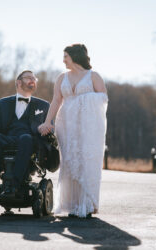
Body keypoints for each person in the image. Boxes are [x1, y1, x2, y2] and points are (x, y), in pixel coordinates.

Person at [38, 44, 108, 218]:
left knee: (86, 160)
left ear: (75, 57)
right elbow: (56, 101)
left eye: (66, 56)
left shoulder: (94, 76)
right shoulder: (62, 78)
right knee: (69, 160)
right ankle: (71, 204)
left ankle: (88, 204)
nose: (63, 60)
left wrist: (83, 100)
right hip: (66, 123)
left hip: (88, 126)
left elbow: (103, 98)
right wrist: (48, 121)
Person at [0, 70, 50, 199]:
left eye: (34, 78)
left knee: (26, 138)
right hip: (9, 138)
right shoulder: (3, 103)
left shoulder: (43, 105)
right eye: (29, 78)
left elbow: (49, 126)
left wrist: (46, 127)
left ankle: (15, 184)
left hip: (30, 141)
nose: (33, 80)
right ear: (18, 82)